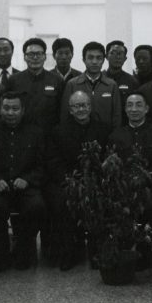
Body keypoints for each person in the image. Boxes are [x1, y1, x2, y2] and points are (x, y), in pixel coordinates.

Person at [0, 92, 48, 271]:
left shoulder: (36, 133)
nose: (10, 113)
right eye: (6, 108)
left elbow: (43, 166)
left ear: (23, 110)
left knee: (37, 207)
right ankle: (1, 252)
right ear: (0, 109)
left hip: (25, 186)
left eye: (15, 109)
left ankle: (23, 248)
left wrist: (27, 179)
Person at [45, 90, 112, 270]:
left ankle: (97, 250)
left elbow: (108, 158)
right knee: (61, 203)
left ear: (90, 107)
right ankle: (69, 252)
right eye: (77, 106)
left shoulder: (104, 129)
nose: (81, 109)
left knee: (101, 200)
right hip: (68, 179)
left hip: (96, 179)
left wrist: (93, 179)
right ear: (70, 109)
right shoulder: (58, 131)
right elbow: (53, 161)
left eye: (84, 105)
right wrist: (71, 181)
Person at [108, 92, 152, 225]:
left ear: (146, 109)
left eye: (138, 105)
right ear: (125, 109)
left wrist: (144, 178)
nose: (134, 109)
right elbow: (113, 164)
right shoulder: (115, 135)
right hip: (124, 185)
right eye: (129, 105)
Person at [6, 37, 64, 133]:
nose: (35, 57)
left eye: (39, 54)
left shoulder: (57, 80)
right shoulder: (14, 80)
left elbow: (62, 111)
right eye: (31, 54)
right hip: (22, 134)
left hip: (49, 135)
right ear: (24, 57)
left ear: (45, 57)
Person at [62, 42, 122, 131]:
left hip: (106, 137)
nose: (94, 62)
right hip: (77, 137)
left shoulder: (111, 85)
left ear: (103, 60)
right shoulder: (72, 84)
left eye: (98, 58)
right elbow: (65, 115)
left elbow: (117, 116)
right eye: (90, 58)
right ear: (84, 60)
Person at [105, 40, 141, 121]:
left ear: (125, 58)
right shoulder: (100, 79)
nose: (117, 57)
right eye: (113, 53)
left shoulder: (132, 81)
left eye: (120, 53)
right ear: (106, 56)